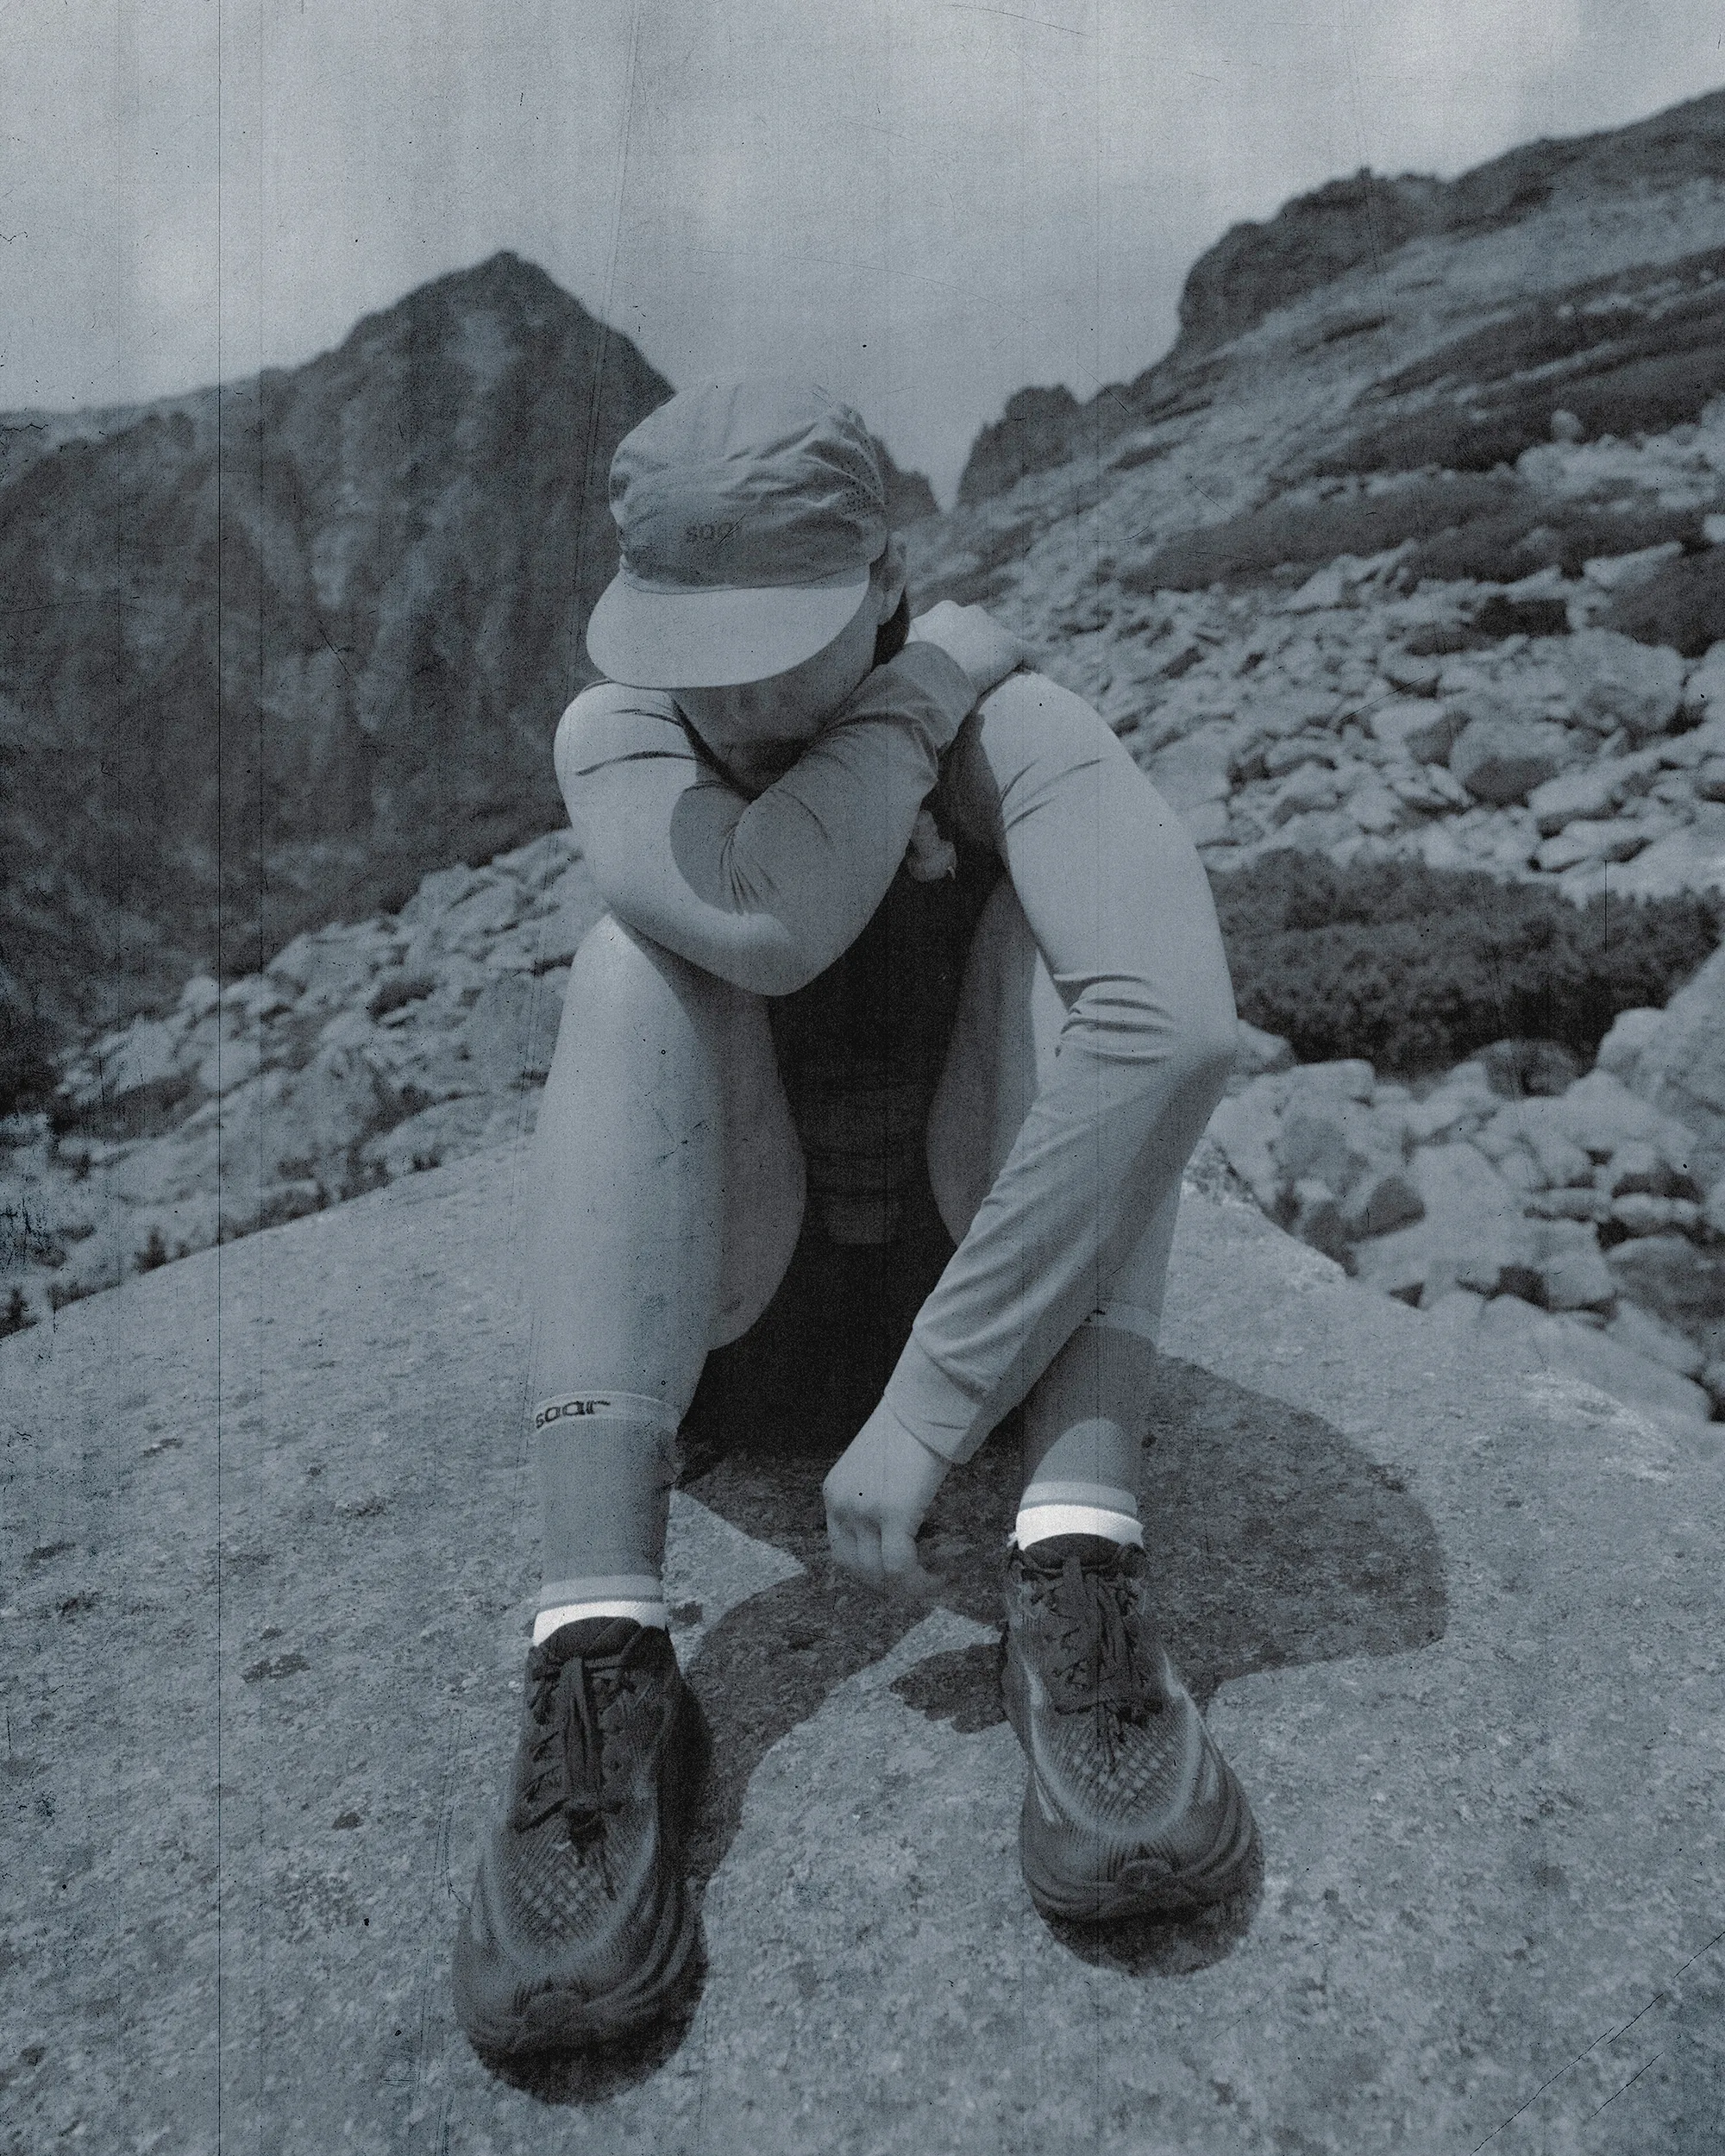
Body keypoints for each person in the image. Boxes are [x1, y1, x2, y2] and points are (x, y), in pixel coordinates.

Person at [452, 379, 1257, 2058]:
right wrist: (910, 699)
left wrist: (936, 1407)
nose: (737, 694)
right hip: (750, 1333)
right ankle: (600, 1651)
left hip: (995, 1326)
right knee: (629, 963)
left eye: (786, 638)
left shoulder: (1011, 724)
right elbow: (764, 923)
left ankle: (1075, 1555)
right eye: (698, 641)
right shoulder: (625, 732)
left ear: (885, 574)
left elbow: (1175, 1021)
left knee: (1080, 947)